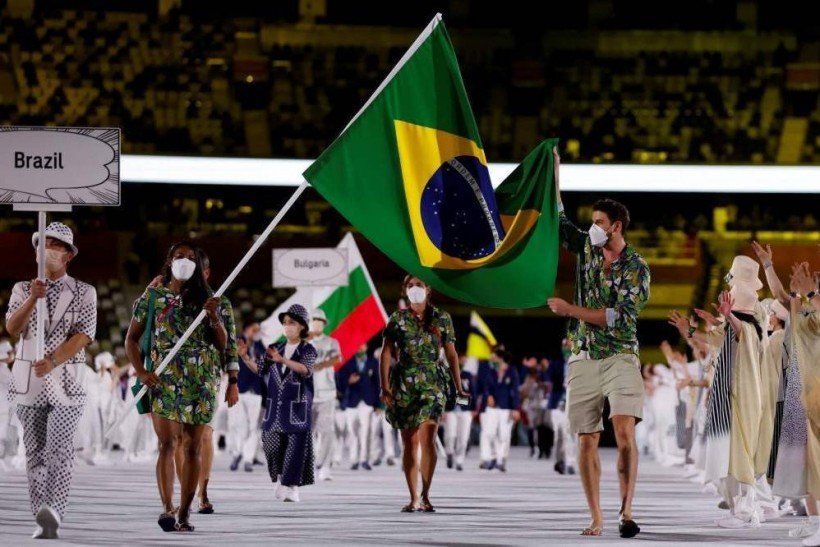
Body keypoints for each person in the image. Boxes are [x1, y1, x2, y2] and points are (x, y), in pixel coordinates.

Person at [547, 147, 650, 538]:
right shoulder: (588, 249)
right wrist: (553, 172)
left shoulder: (636, 268)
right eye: (592, 221)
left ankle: (626, 511)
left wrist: (571, 310)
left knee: (624, 432)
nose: (593, 227)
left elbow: (616, 317)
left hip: (621, 354)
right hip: (583, 355)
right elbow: (558, 222)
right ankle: (596, 516)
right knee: (586, 438)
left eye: (600, 222)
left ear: (617, 227)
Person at [126, 241, 239, 532]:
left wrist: (213, 317)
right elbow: (131, 339)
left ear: (201, 268)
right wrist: (140, 372)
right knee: (166, 444)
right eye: (179, 257)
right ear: (169, 261)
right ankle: (167, 508)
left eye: (191, 258)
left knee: (192, 448)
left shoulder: (217, 302)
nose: (185, 261)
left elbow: (224, 345)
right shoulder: (154, 296)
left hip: (200, 384)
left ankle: (185, 513)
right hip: (163, 381)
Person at [5, 222, 97, 539]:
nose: (49, 249)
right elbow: (13, 329)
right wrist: (33, 298)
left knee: (59, 448)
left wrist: (55, 360)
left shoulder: (85, 291)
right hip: (28, 381)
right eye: (44, 243)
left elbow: (85, 334)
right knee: (34, 452)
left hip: (67, 381)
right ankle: (40, 515)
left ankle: (56, 508)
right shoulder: (21, 289)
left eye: (56, 245)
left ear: (68, 255)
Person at [380, 275, 468, 513]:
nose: (415, 289)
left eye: (419, 284)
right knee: (409, 442)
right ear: (404, 290)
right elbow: (386, 353)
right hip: (404, 385)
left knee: (428, 437)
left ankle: (426, 495)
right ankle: (413, 498)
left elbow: (451, 355)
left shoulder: (441, 317)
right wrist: (384, 386)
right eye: (410, 286)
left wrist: (458, 386)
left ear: (428, 288)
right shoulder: (397, 318)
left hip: (432, 382)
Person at [245, 304, 316, 503]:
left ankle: (292, 487)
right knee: (271, 444)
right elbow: (259, 368)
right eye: (285, 323)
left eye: (291, 323)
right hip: (275, 408)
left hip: (297, 408)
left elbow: (305, 369)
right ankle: (280, 478)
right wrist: (244, 356)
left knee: (295, 448)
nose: (287, 326)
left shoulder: (308, 349)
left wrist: (282, 360)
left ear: (302, 326)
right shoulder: (277, 348)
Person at [307, 309, 341, 480]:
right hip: (306, 393)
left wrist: (321, 365)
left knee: (327, 431)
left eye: (320, 320)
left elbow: (337, 358)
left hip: (327, 393)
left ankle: (325, 466)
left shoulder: (331, 342)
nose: (317, 323)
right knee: (307, 432)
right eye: (315, 320)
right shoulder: (303, 343)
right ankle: (309, 465)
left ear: (324, 323)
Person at [231, 320, 266, 473]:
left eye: (258, 330)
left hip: (256, 391)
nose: (256, 333)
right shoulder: (236, 342)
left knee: (253, 427)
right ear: (247, 328)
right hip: (240, 389)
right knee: (240, 425)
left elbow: (264, 366)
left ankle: (247, 459)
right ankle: (237, 452)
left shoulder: (260, 346)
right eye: (254, 329)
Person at [338, 344, 380, 470]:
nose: (360, 348)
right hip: (352, 401)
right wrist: (348, 381)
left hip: (367, 402)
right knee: (352, 432)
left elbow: (378, 383)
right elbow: (340, 381)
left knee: (365, 432)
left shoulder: (373, 361)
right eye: (358, 345)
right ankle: (353, 459)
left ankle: (364, 460)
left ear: (367, 347)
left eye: (363, 345)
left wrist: (377, 404)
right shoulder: (348, 361)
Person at [478, 348, 521, 472]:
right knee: (488, 433)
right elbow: (486, 386)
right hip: (492, 408)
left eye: (493, 357)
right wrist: (489, 396)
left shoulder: (511, 371)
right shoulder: (491, 371)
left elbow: (515, 391)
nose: (491, 359)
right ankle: (489, 458)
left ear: (500, 358)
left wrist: (516, 408)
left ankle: (501, 460)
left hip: (506, 408)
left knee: (504, 435)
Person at [444, 354, 478, 471]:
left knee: (463, 437)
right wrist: (443, 410)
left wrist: (473, 409)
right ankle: (449, 452)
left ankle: (459, 459)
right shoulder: (448, 374)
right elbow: (444, 393)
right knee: (450, 435)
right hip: (451, 409)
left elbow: (473, 392)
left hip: (465, 409)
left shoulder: (467, 375)